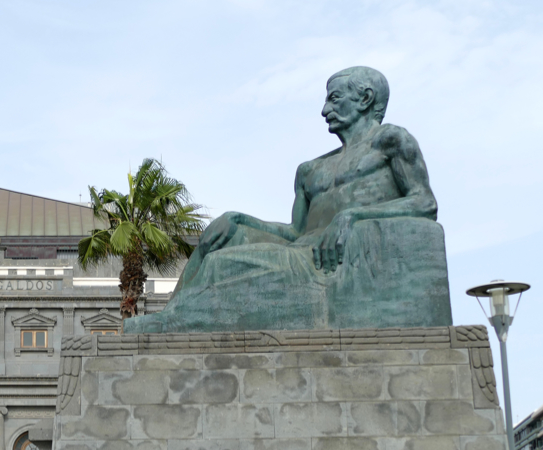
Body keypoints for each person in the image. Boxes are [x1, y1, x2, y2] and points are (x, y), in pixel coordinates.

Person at [125, 66, 445, 334]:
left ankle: (175, 323)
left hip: (328, 263)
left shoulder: (390, 141)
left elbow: (424, 203)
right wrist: (240, 219)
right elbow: (295, 233)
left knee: (222, 265)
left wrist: (352, 216)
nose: (324, 110)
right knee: (222, 236)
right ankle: (169, 318)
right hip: (299, 251)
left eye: (334, 99)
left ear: (365, 99)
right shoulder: (310, 170)